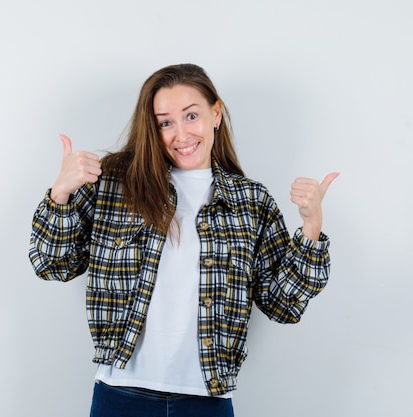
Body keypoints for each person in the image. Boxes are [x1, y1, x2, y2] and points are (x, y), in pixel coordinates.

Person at [28, 63, 338, 417]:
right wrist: (61, 193)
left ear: (216, 113)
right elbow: (53, 265)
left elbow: (282, 304)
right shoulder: (114, 185)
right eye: (165, 122)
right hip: (120, 397)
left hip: (206, 401)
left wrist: (311, 226)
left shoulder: (251, 202)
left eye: (191, 116)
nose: (181, 134)